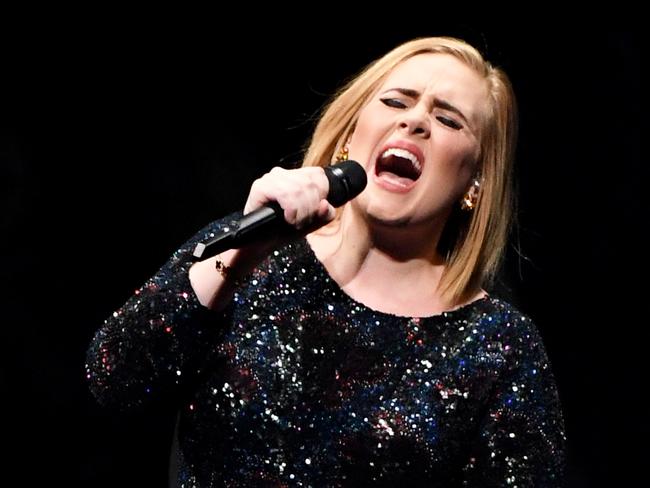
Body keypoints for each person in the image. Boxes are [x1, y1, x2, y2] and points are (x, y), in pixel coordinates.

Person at [86, 36, 566, 486]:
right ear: (350, 137)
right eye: (397, 101)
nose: (415, 121)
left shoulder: (499, 347)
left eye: (448, 120)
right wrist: (242, 254)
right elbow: (114, 380)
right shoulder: (253, 255)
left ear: (474, 183)